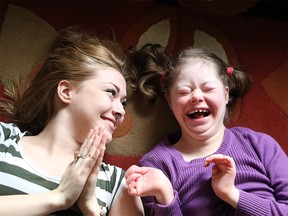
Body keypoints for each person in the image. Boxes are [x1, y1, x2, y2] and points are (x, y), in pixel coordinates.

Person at [125, 44, 288, 215]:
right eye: (183, 91)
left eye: (208, 89)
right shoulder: (157, 166)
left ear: (226, 94)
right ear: (169, 101)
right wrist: (166, 198)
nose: (196, 96)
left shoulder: (258, 144)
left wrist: (232, 194)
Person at [0, 26, 144, 215]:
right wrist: (59, 198)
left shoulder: (117, 182)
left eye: (124, 103)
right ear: (66, 91)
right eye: (111, 92)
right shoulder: (4, 139)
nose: (120, 111)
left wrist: (91, 209)